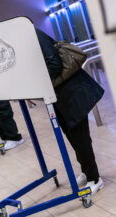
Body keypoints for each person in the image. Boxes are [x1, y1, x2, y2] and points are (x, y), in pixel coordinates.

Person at [36, 29, 105, 195]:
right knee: (73, 137)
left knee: (80, 138)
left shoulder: (35, 36)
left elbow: (55, 65)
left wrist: (38, 82)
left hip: (71, 93)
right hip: (59, 97)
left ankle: (94, 178)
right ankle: (86, 171)